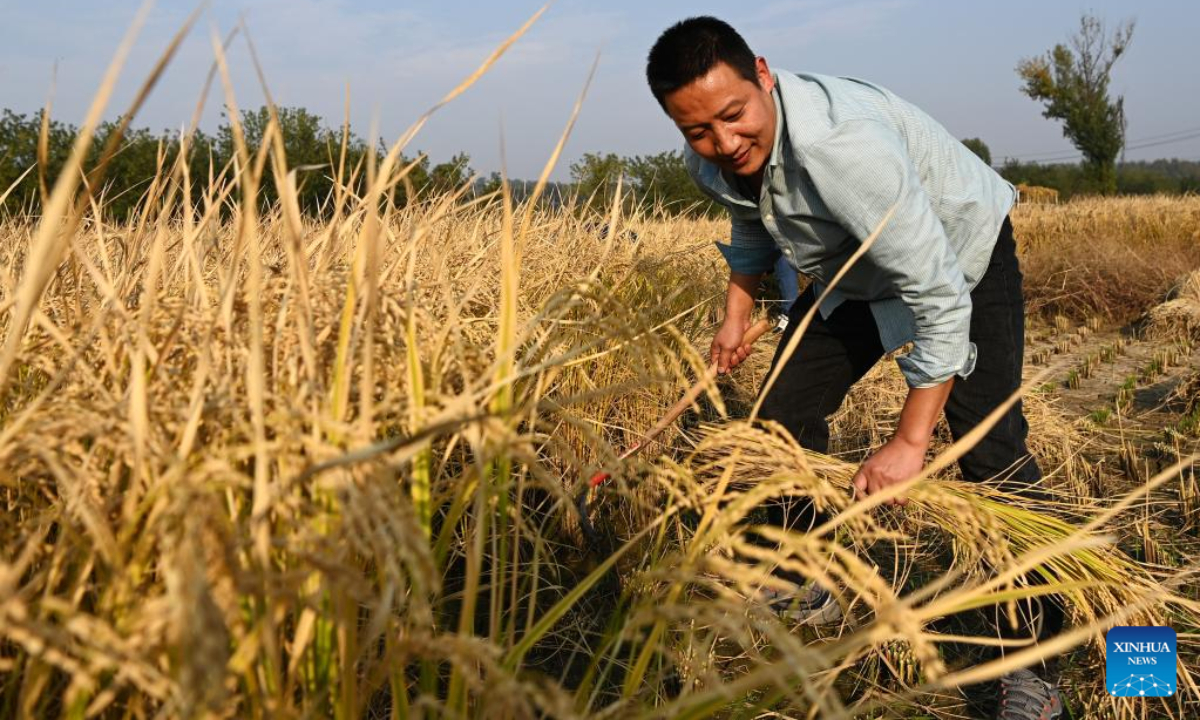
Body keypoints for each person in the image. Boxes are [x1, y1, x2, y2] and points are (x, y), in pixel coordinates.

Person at [646, 16, 1066, 720]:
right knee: (777, 418)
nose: (724, 143)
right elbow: (751, 217)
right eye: (698, 131)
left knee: (988, 449)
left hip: (961, 255)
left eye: (734, 116)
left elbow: (936, 291)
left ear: (763, 74)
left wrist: (908, 443)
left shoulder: (844, 150)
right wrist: (736, 312)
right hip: (858, 272)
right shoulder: (711, 157)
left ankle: (1031, 665)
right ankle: (803, 577)